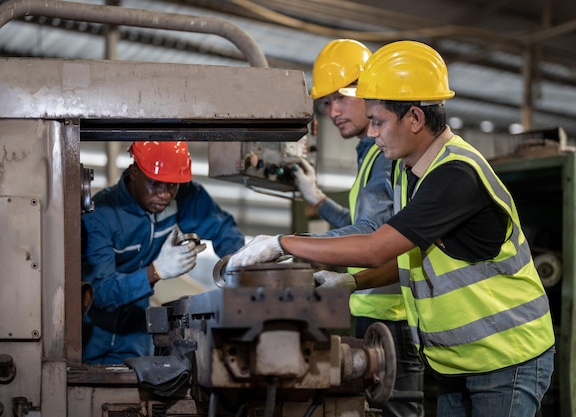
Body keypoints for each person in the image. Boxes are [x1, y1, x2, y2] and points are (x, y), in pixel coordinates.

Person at [227, 41, 555, 417]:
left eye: (379, 122)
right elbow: (412, 257)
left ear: (414, 118)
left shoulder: (455, 175)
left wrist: (283, 243)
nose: (371, 133)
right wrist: (353, 283)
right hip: (458, 361)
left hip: (506, 356)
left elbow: (375, 247)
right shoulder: (409, 172)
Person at [296, 38, 424, 416]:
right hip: (374, 308)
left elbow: (371, 234)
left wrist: (292, 245)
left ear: (368, 91)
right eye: (326, 102)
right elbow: (364, 224)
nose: (333, 110)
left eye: (341, 97)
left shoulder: (385, 156)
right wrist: (319, 202)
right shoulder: (370, 154)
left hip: (395, 316)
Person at [81, 141, 245, 364]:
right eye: (155, 183)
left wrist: (237, 268)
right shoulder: (102, 215)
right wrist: (156, 271)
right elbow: (101, 291)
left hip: (135, 331)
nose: (165, 195)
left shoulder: (184, 197)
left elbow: (223, 229)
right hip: (91, 332)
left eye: (172, 186)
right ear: (134, 172)